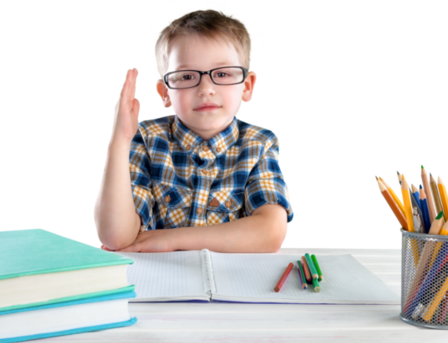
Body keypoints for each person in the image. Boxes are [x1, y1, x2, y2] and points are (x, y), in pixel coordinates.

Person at [91, 7, 295, 253]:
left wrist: (171, 240)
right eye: (187, 76)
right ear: (165, 93)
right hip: (159, 284)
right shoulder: (145, 138)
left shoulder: (259, 143)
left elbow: (271, 231)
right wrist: (118, 140)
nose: (206, 88)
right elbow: (115, 238)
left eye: (222, 73)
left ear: (247, 86)